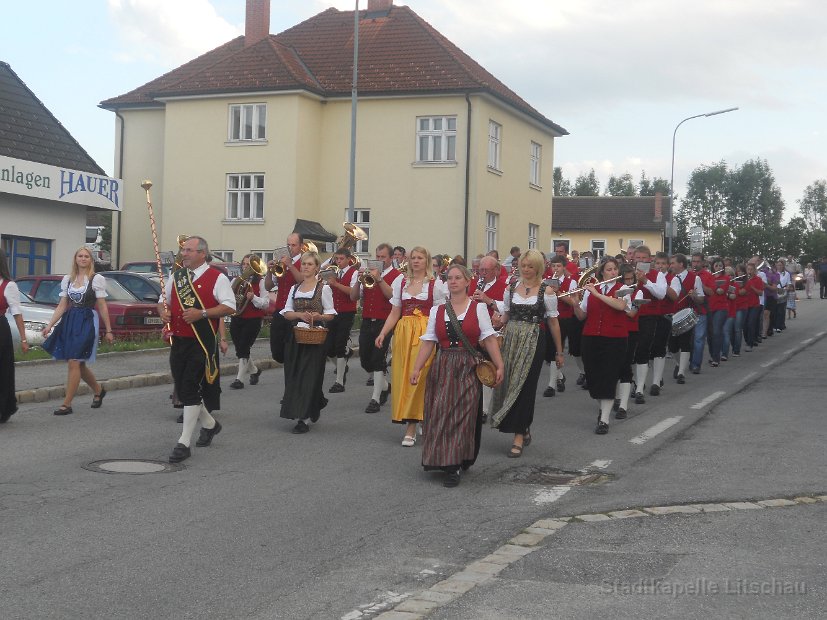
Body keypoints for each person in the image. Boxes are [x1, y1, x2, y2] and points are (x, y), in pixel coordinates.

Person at [411, 264, 504, 487]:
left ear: (467, 281)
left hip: (468, 366)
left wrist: (499, 365)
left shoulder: (478, 308)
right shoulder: (438, 310)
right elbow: (429, 341)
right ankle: (443, 458)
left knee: (462, 414)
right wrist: (417, 368)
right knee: (441, 412)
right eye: (450, 278)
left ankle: (454, 465)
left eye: (458, 278)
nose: (453, 281)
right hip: (443, 365)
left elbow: (489, 339)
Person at [159, 236, 235, 463]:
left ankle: (183, 443)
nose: (184, 254)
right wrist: (162, 312)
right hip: (179, 341)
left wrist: (202, 313)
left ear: (202, 253)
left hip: (201, 342)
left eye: (189, 250)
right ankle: (210, 425)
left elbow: (230, 306)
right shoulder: (177, 276)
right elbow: (164, 301)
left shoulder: (217, 277)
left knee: (190, 388)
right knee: (183, 388)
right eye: (184, 250)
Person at [491, 249, 563, 456]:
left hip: (533, 339)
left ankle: (519, 436)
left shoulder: (547, 291)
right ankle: (523, 426)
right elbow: (505, 317)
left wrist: (559, 352)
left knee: (525, 386)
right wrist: (496, 324)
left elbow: (553, 322)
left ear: (538, 267)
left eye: (531, 266)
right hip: (512, 337)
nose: (527, 269)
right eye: (524, 265)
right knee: (510, 382)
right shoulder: (512, 288)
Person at [376, 247, 448, 445]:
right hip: (404, 333)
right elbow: (394, 312)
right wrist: (383, 332)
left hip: (426, 333)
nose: (416, 261)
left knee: (421, 377)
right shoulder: (401, 282)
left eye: (420, 258)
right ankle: (418, 416)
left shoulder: (436, 285)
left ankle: (412, 426)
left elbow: (441, 314)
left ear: (427, 260)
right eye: (413, 258)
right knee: (404, 377)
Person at [42, 246, 114, 415]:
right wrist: (50, 325)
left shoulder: (96, 279)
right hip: (70, 321)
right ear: (75, 259)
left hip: (87, 321)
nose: (83, 259)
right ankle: (98, 390)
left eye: (86, 256)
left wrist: (109, 330)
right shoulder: (68, 279)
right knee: (78, 363)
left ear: (91, 260)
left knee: (74, 362)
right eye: (80, 256)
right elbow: (62, 305)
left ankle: (67, 404)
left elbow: (102, 306)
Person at [280, 251, 336, 433]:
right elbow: (286, 312)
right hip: (296, 335)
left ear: (317, 268)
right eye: (303, 264)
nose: (305, 267)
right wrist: (299, 315)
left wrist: (319, 316)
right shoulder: (294, 288)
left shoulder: (324, 288)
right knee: (294, 374)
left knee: (309, 375)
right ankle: (314, 403)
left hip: (315, 335)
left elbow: (331, 313)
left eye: (309, 264)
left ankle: (302, 418)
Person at [573, 257, 630, 434]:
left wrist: (597, 294)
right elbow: (582, 316)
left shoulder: (623, 289)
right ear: (602, 273)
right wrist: (575, 302)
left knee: (609, 375)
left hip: (615, 338)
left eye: (615, 269)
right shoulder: (591, 291)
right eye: (609, 269)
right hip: (591, 337)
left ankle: (604, 419)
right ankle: (602, 409)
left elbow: (620, 306)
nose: (613, 272)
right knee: (594, 377)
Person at [351, 243, 403, 412]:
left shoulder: (397, 276)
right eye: (378, 257)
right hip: (367, 320)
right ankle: (385, 386)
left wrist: (379, 278)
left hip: (385, 320)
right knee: (366, 360)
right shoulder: (368, 272)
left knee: (378, 358)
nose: (380, 260)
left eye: (383, 257)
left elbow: (392, 297)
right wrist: (359, 281)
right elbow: (353, 297)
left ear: (390, 258)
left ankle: (374, 399)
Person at [468, 255, 507, 417]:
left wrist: (487, 299)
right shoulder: (471, 284)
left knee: (487, 367)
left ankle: (484, 409)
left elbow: (507, 310)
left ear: (496, 270)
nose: (481, 274)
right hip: (472, 332)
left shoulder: (504, 286)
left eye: (485, 270)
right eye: (479, 270)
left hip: (492, 332)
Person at [629, 245, 667, 402]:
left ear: (650, 260)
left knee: (643, 350)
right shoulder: (627, 273)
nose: (641, 261)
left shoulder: (657, 275)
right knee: (631, 352)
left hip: (649, 316)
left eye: (644, 258)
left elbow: (661, 294)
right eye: (638, 258)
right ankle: (636, 382)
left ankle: (639, 388)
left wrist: (645, 281)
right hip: (630, 316)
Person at [228, 254, 269, 389]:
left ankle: (239, 379)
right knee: (240, 348)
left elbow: (265, 304)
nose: (246, 267)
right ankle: (255, 371)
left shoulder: (261, 282)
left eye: (249, 265)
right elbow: (229, 297)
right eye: (244, 264)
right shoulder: (236, 280)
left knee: (244, 347)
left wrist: (253, 298)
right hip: (237, 317)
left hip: (253, 319)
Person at [265, 233, 305, 365]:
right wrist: (269, 272)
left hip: (296, 310)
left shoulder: (304, 262)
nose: (290, 248)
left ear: (301, 246)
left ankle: (293, 373)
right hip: (280, 309)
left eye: (293, 245)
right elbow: (268, 286)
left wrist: (291, 265)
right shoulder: (281, 264)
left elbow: (302, 281)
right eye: (288, 245)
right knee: (276, 348)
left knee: (293, 348)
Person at [325, 248, 359, 393]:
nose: (338, 261)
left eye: (341, 259)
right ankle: (343, 362)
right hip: (332, 312)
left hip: (347, 312)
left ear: (348, 259)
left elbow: (353, 293)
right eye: (336, 259)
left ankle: (339, 381)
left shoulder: (354, 273)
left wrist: (336, 284)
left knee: (339, 345)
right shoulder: (332, 271)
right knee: (327, 346)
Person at [666, 253, 704, 383]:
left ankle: (682, 372)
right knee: (672, 346)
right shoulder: (670, 278)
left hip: (686, 314)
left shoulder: (695, 278)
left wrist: (694, 296)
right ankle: (679, 364)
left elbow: (701, 298)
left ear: (681, 264)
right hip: (672, 315)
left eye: (673, 263)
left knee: (685, 343)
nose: (671, 265)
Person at [1, 249, 27, 423]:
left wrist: (24, 339)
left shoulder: (8, 285)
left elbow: (17, 314)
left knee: (2, 371)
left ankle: (4, 407)